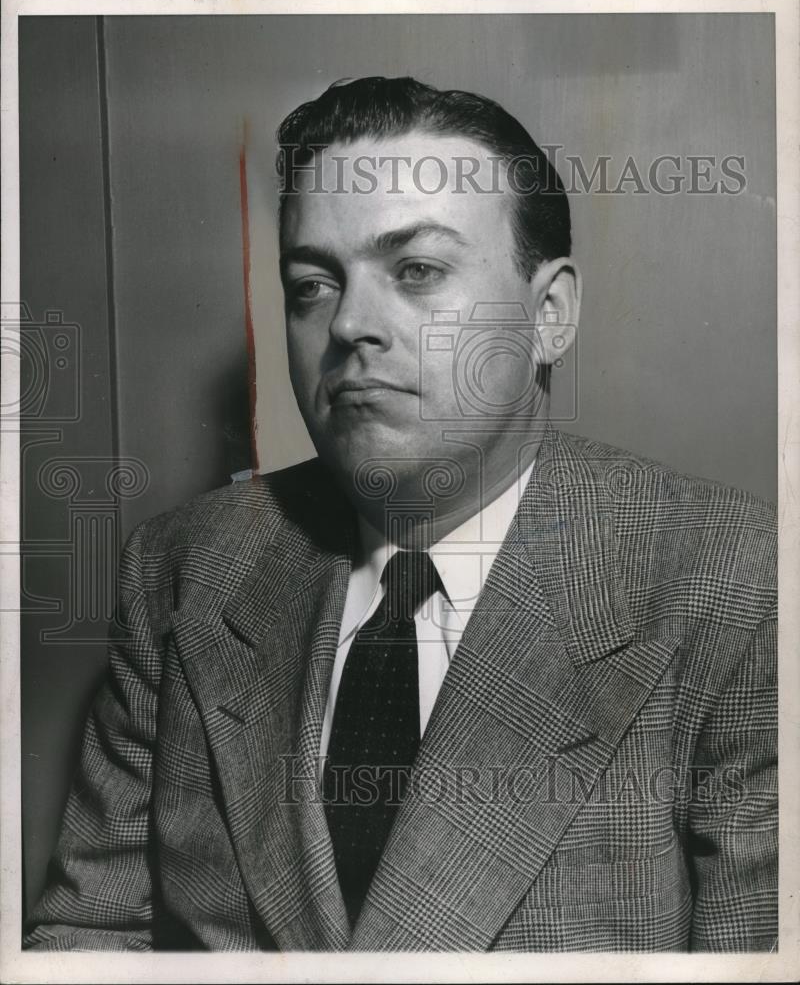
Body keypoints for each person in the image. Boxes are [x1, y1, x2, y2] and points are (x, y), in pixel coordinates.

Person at [24, 76, 777, 952]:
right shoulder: (185, 567)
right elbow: (90, 933)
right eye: (312, 284)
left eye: (416, 270)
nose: (348, 325)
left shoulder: (736, 581)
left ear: (550, 315)